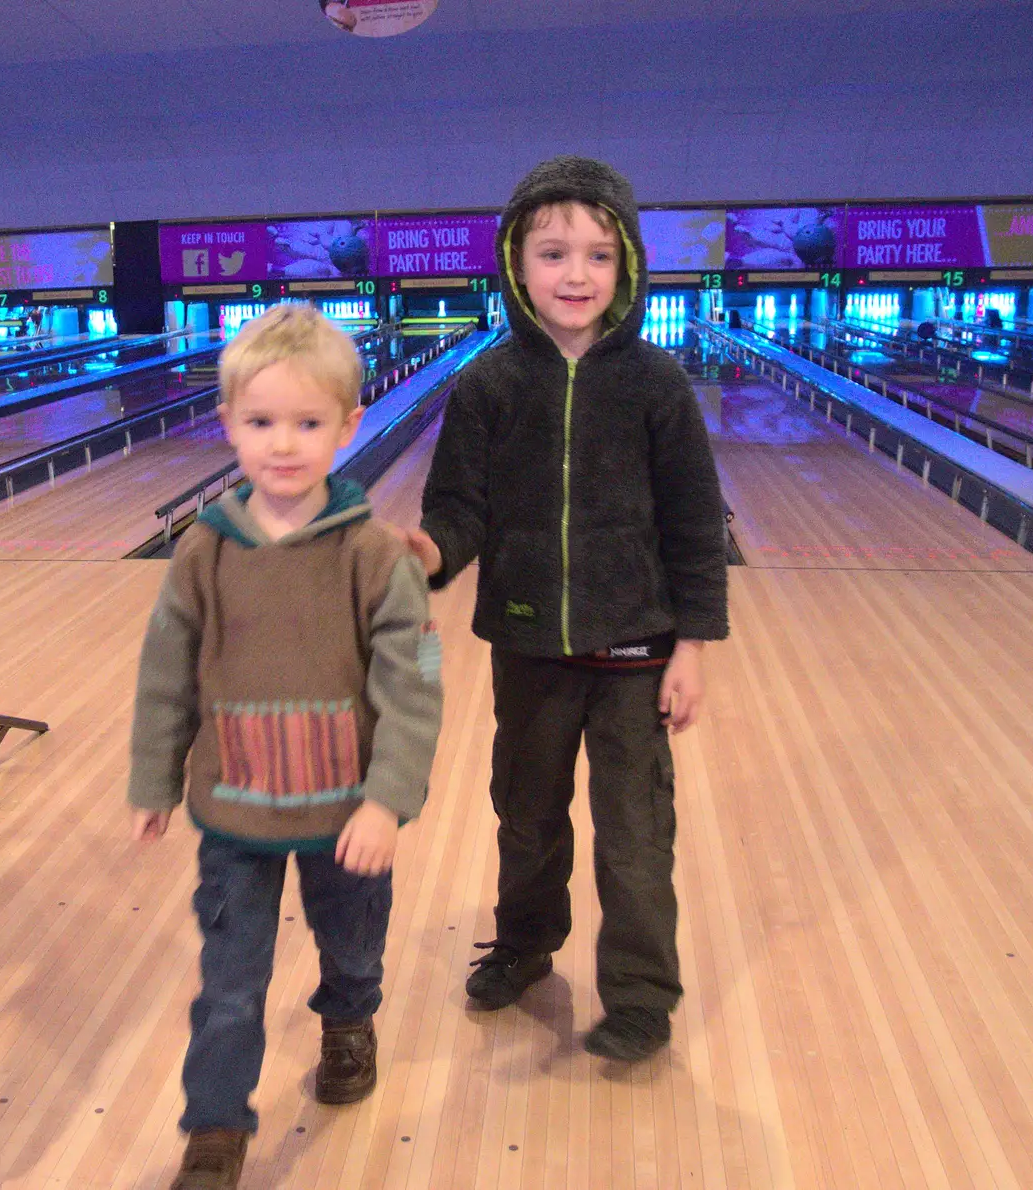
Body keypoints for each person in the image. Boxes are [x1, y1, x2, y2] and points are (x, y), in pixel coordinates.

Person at [403, 155, 728, 1063]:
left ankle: (638, 996)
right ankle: (524, 945)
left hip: (635, 654)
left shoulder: (657, 385)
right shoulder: (489, 384)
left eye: (596, 255)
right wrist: (427, 557)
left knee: (635, 836)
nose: (575, 275)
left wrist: (693, 647)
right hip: (529, 647)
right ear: (516, 263)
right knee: (528, 815)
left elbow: (699, 529)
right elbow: (458, 509)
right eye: (553, 253)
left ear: (626, 267)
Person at [128, 304, 442, 1190]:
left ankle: (349, 1021)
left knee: (352, 943)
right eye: (261, 422)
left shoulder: (380, 556)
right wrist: (153, 778)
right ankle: (215, 1126)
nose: (283, 444)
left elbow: (417, 677)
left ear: (350, 426)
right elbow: (165, 671)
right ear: (228, 424)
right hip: (235, 810)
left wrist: (389, 799)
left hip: (350, 813)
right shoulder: (202, 552)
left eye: (308, 424)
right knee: (228, 983)